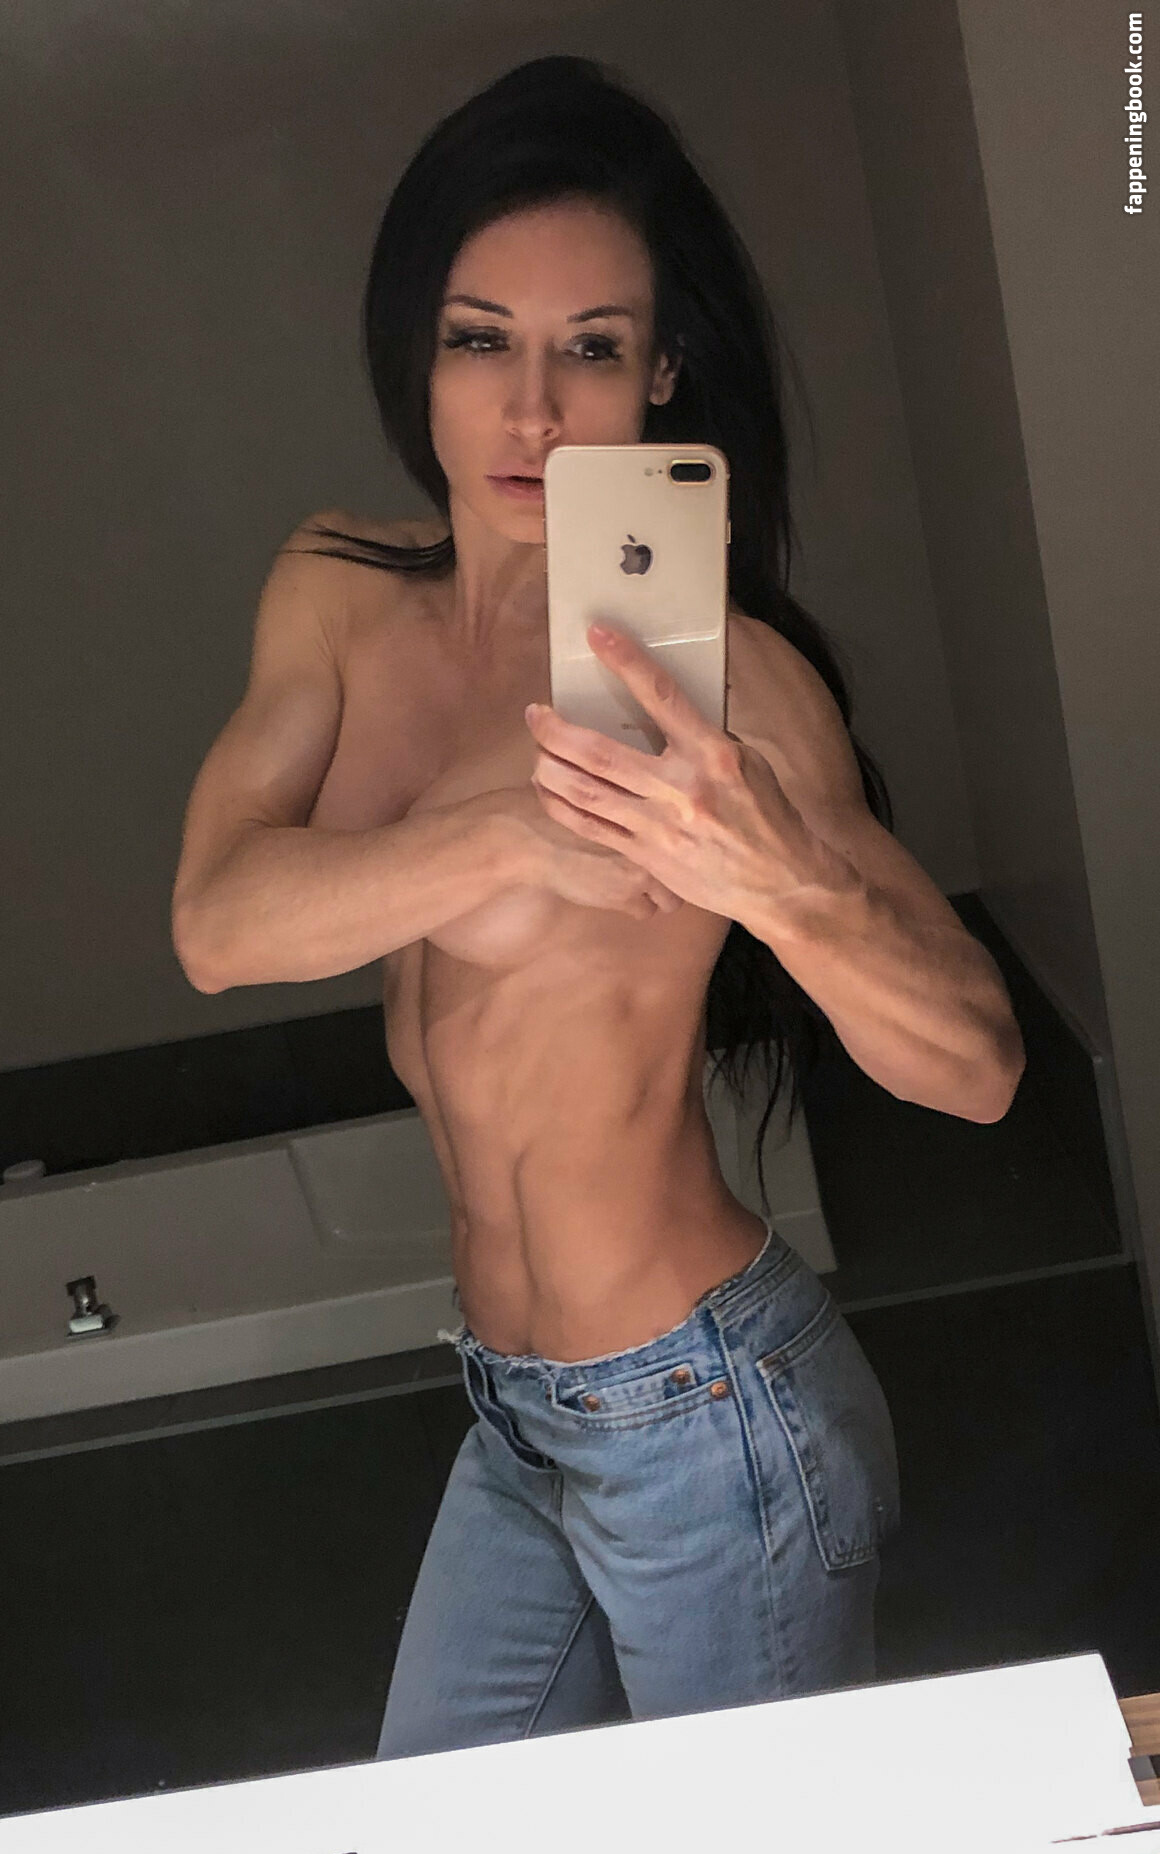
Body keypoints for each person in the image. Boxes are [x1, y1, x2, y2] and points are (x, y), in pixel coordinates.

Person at [171, 56, 1024, 1762]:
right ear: (419, 349)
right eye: (480, 339)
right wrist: (505, 839)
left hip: (706, 1413)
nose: (533, 412)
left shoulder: (711, 676)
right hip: (517, 1414)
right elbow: (219, 924)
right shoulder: (337, 595)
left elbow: (981, 1067)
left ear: (661, 373)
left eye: (594, 348)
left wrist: (781, 881)